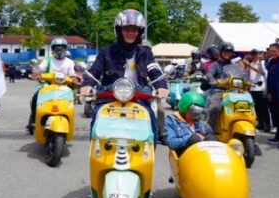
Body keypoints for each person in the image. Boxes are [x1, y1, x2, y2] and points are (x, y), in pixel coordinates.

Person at [80, 9, 169, 137]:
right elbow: (95, 70)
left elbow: (154, 69)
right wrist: (87, 84)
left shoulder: (145, 52)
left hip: (138, 97)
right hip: (109, 97)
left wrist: (161, 86)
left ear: (140, 32)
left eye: (134, 30)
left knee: (152, 126)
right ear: (119, 30)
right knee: (96, 123)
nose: (130, 33)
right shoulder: (107, 52)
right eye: (126, 29)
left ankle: (151, 149)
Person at [26, 37, 79, 131]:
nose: (59, 50)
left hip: (64, 87)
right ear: (53, 49)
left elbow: (72, 74)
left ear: (65, 48)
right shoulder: (48, 60)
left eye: (62, 48)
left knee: (72, 103)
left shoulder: (69, 62)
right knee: (35, 98)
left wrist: (76, 78)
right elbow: (40, 69)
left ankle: (68, 122)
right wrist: (37, 73)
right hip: (48, 86)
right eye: (56, 48)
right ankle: (34, 120)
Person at [164, 91, 215, 156]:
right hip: (184, 154)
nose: (196, 115)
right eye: (194, 112)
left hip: (200, 153)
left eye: (199, 112)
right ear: (185, 108)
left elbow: (210, 134)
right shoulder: (171, 120)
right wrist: (190, 137)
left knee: (211, 138)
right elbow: (171, 143)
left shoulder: (197, 121)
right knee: (195, 138)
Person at [242, 49, 270, 134]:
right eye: (253, 54)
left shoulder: (262, 63)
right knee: (256, 107)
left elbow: (260, 71)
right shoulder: (251, 63)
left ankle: (267, 124)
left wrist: (249, 65)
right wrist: (245, 66)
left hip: (261, 88)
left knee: (264, 108)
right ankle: (261, 123)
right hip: (253, 88)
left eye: (256, 54)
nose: (255, 56)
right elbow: (247, 74)